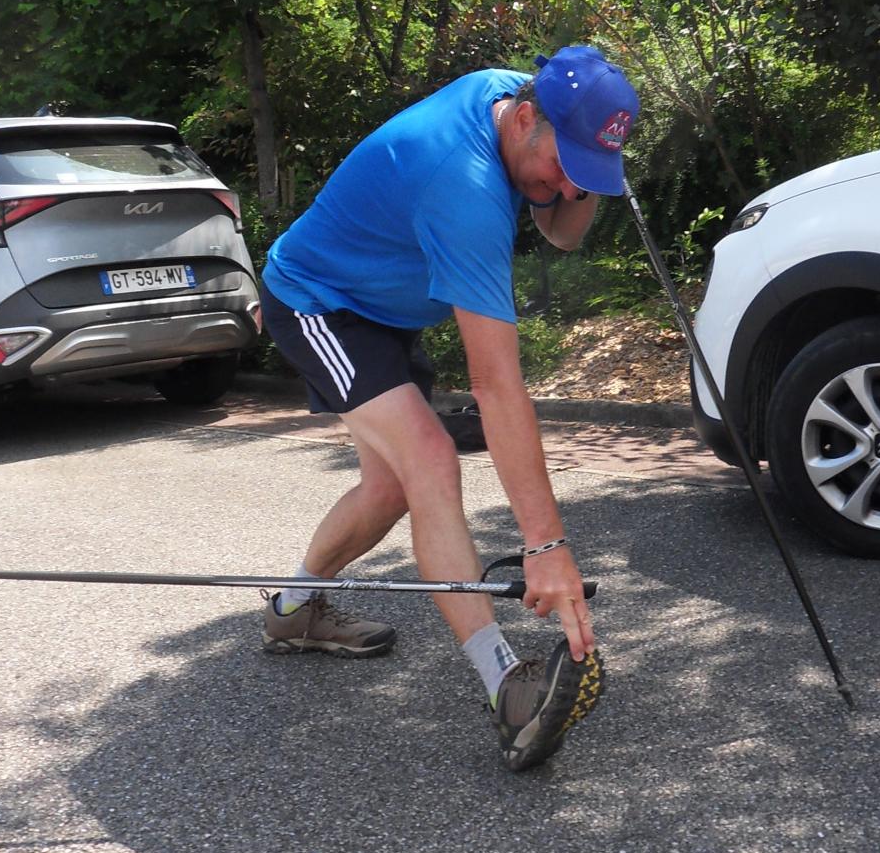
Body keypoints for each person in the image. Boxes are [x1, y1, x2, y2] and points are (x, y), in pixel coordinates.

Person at [257, 45, 640, 772]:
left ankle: (293, 610)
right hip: (319, 302)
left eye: (583, 178)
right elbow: (497, 386)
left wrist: (582, 172)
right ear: (526, 118)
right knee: (430, 459)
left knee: (390, 485)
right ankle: (506, 684)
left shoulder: (514, 101)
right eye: (562, 166)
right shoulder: (459, 185)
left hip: (387, 307)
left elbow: (559, 226)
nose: (564, 188)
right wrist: (545, 545)